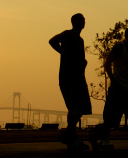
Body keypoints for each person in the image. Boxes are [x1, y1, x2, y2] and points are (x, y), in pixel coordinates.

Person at [49, 13, 92, 150]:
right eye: (80, 19)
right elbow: (52, 41)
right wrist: (63, 52)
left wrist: (83, 64)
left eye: (84, 19)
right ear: (73, 21)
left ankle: (69, 134)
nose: (83, 21)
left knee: (81, 108)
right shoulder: (68, 34)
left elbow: (80, 58)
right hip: (68, 77)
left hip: (79, 77)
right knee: (74, 107)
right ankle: (72, 138)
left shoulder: (80, 40)